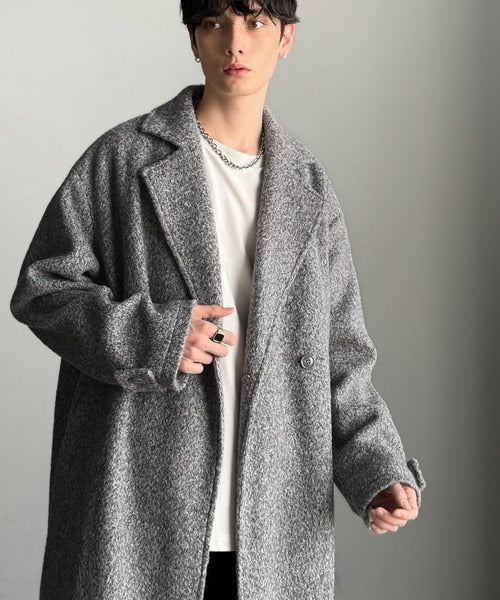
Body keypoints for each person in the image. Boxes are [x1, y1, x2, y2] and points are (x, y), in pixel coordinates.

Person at [10, 1, 426, 599]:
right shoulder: (124, 159)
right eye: (214, 23)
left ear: (285, 39)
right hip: (137, 513)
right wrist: (152, 337)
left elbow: (340, 357)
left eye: (255, 22)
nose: (235, 42)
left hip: (275, 529)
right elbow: (43, 287)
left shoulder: (308, 187)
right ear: (193, 39)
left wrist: (377, 470)